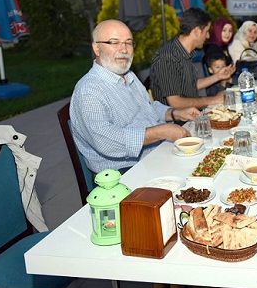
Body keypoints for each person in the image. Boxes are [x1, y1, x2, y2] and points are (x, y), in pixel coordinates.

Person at [70, 19, 200, 174]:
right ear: (96, 49)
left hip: (155, 155)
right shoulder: (88, 91)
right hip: (124, 173)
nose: (123, 49)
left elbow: (148, 108)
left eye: (128, 43)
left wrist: (175, 113)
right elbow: (107, 142)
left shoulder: (128, 75)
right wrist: (162, 131)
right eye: (114, 42)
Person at [150, 8, 235, 109]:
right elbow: (175, 103)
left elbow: (191, 85)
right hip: (177, 121)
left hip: (190, 115)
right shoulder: (167, 57)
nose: (208, 36)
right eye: (206, 31)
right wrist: (214, 100)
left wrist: (218, 76)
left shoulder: (183, 51)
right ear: (196, 32)